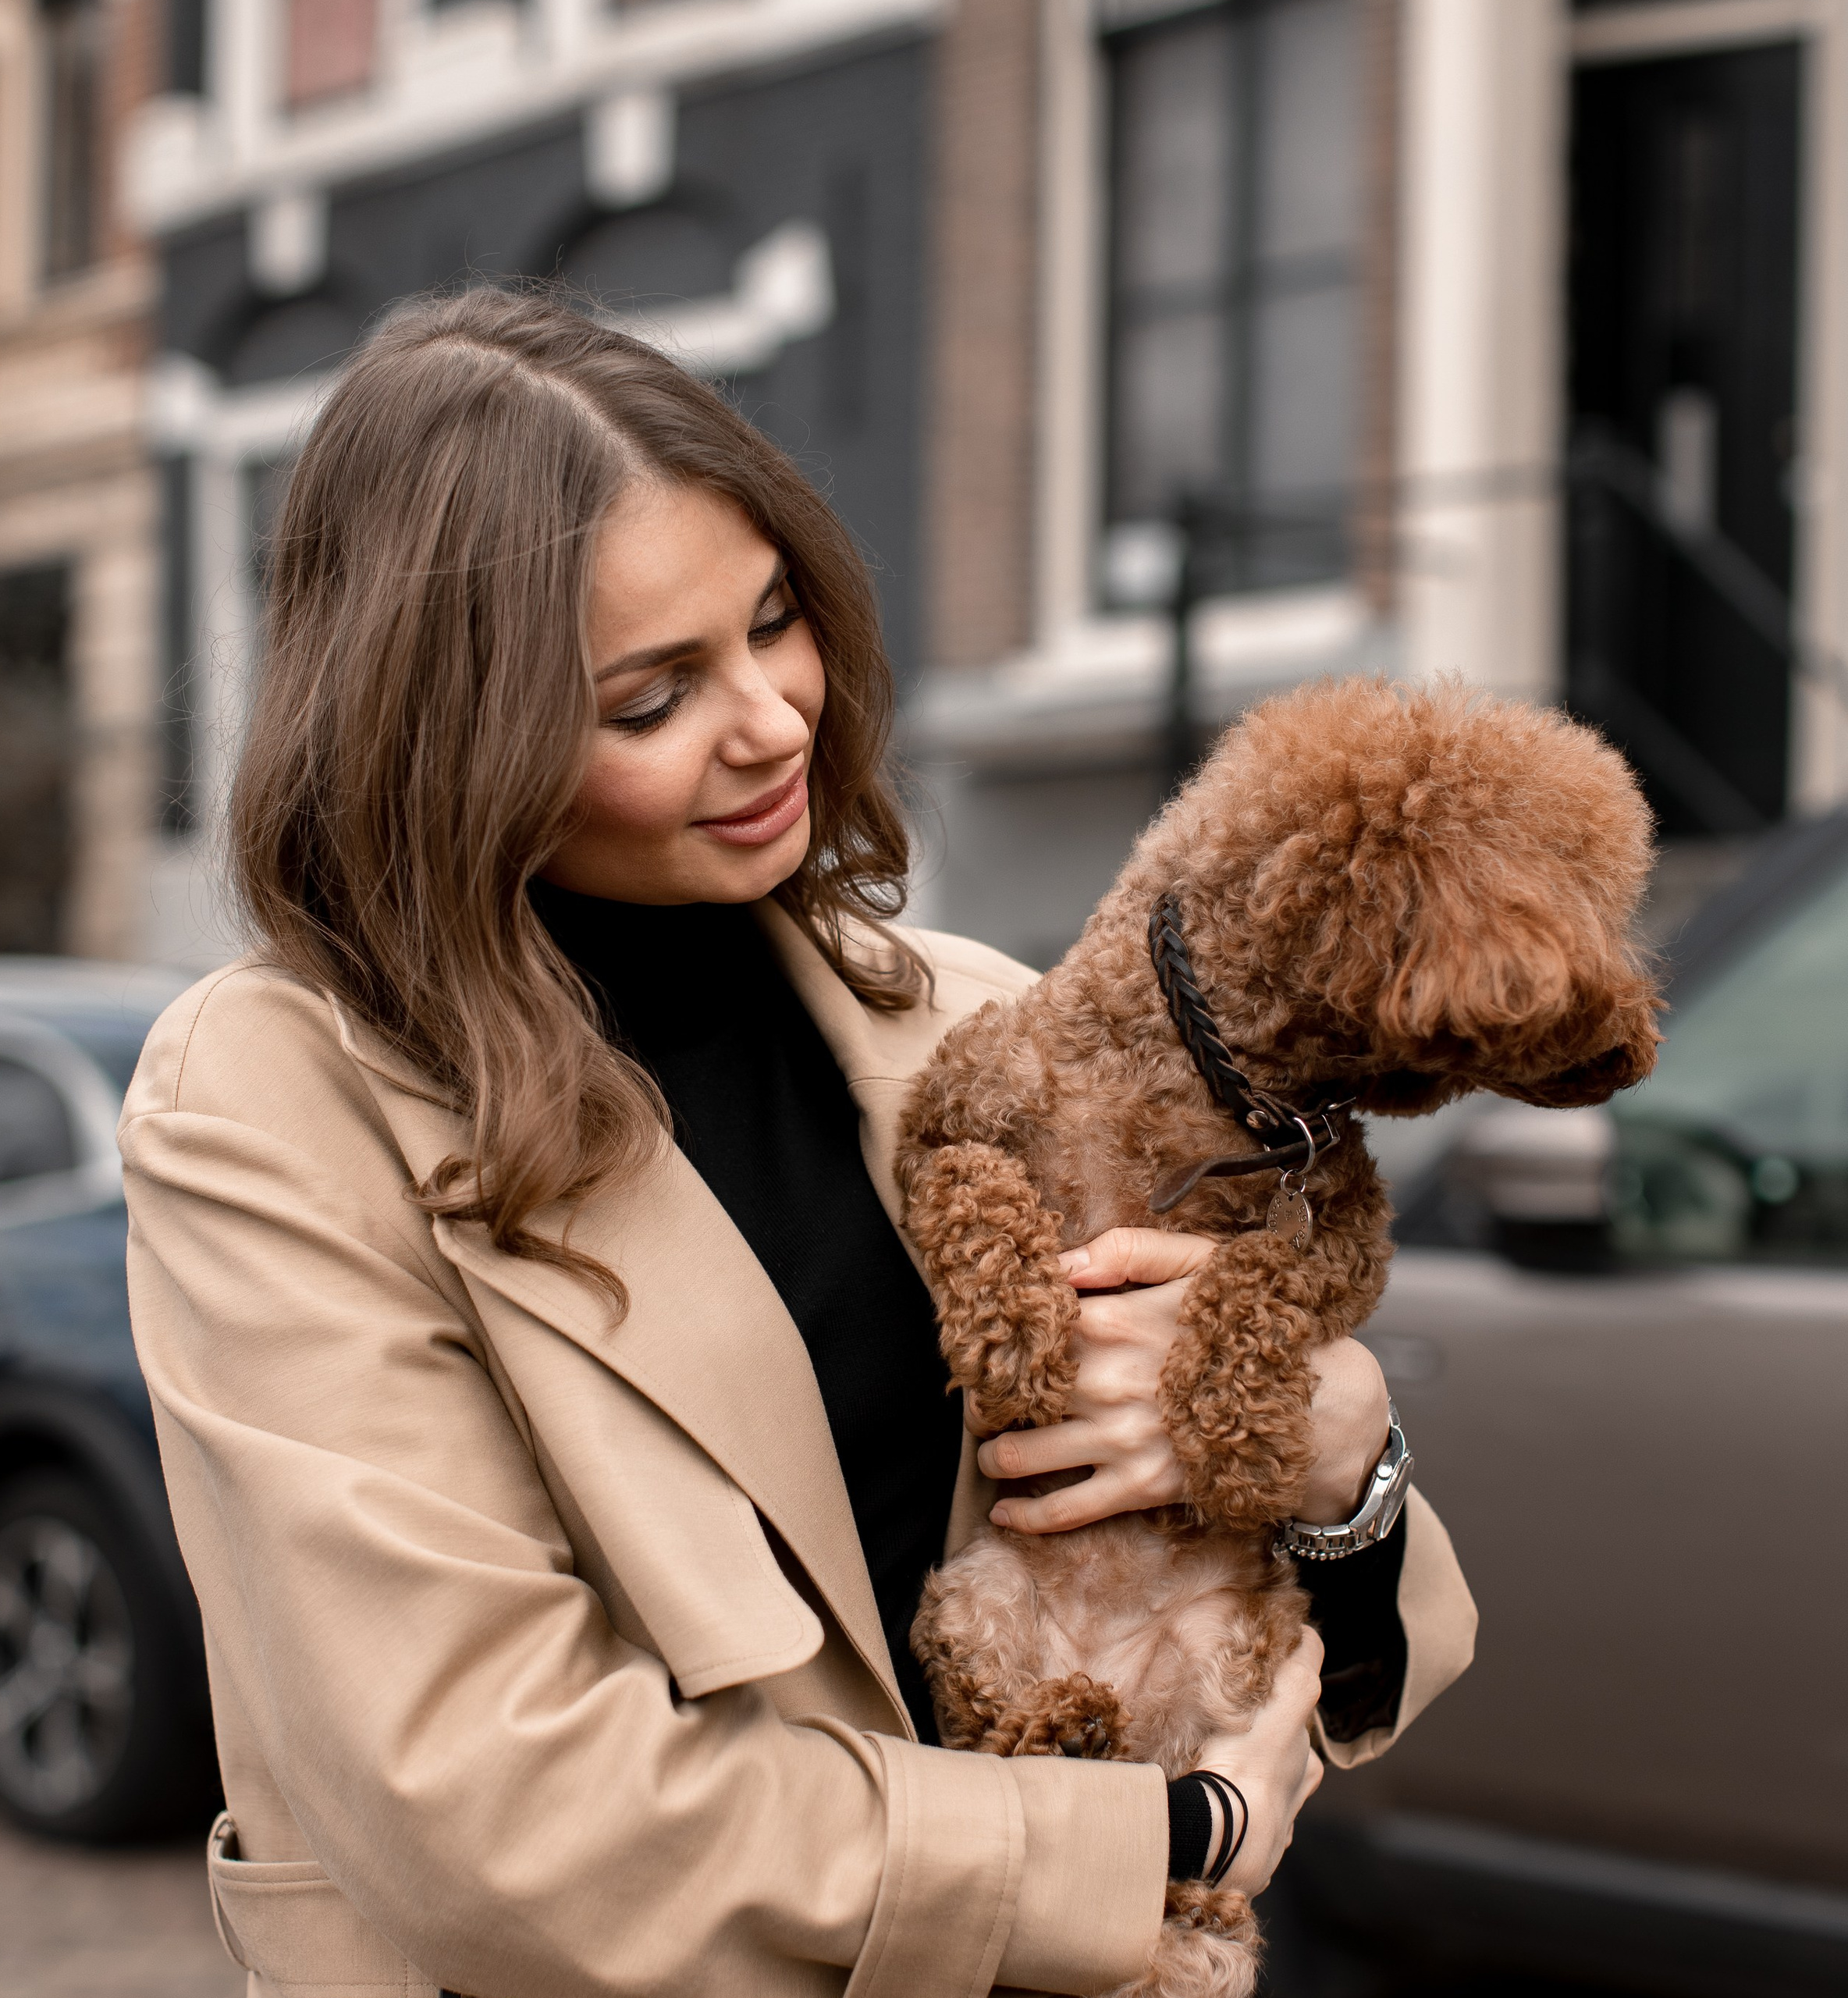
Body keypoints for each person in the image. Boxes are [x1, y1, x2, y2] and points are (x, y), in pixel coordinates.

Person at [121, 289, 1476, 1998]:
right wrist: (1156, 1844)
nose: (769, 717)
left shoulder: (968, 1016)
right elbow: (494, 1806)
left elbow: (1326, 1640)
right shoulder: (273, 1103)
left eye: (774, 619)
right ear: (442, 744)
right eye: (650, 696)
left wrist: (1339, 1461)